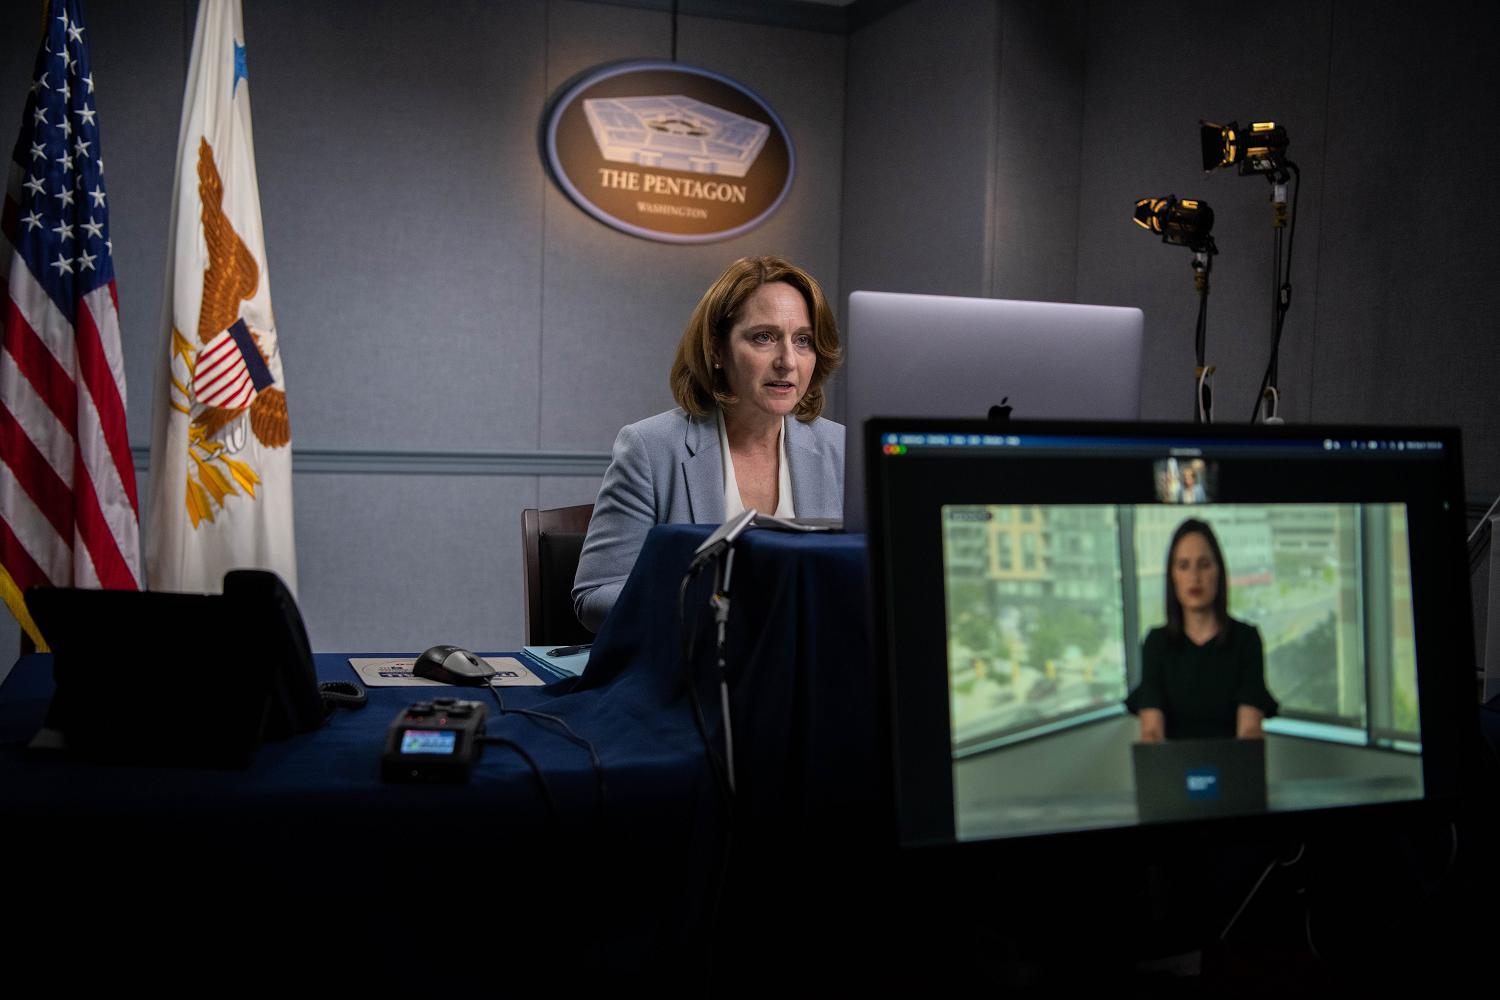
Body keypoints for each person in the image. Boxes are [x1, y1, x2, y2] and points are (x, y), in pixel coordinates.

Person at [571, 256, 844, 634]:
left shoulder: (843, 450)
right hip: (690, 678)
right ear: (717, 350)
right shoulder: (650, 448)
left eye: (803, 341)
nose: (787, 361)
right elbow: (596, 597)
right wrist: (715, 607)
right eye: (763, 337)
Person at [1125, 518, 1278, 741]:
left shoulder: (1246, 640)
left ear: (1219, 572)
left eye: (1204, 564)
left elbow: (1249, 731)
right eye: (1183, 566)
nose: (1195, 577)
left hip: (1233, 770)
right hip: (1171, 770)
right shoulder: (1156, 643)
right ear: (1173, 577)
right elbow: (1152, 730)